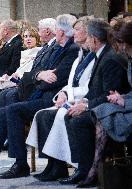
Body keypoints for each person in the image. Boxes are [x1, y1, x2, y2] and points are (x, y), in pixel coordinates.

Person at [0, 14, 79, 180]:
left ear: (61, 32)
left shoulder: (71, 50)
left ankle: (19, 163)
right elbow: (36, 73)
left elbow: (57, 77)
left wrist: (36, 77)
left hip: (53, 98)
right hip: (42, 93)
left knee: (11, 110)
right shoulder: (57, 48)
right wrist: (38, 75)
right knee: (5, 110)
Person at [57, 19, 130, 186]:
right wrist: (83, 100)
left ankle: (90, 170)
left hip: (115, 106)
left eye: (88, 37)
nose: (87, 41)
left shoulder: (110, 58)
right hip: (104, 102)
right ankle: (82, 168)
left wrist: (87, 105)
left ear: (95, 39)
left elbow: (109, 93)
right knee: (71, 115)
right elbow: (95, 89)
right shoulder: (101, 54)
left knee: (79, 121)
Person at [26, 16, 95, 181]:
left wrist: (69, 95)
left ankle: (77, 167)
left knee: (53, 115)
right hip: (71, 97)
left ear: (89, 33)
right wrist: (64, 93)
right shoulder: (81, 53)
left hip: (84, 101)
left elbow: (90, 86)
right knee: (42, 114)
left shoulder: (92, 55)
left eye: (77, 30)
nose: (73, 33)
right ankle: (54, 165)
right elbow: (72, 81)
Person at [77, 20, 132, 188]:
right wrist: (121, 96)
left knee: (102, 113)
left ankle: (96, 167)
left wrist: (124, 101)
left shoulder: (115, 58)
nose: (118, 48)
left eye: (119, 43)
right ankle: (98, 167)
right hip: (129, 103)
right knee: (102, 110)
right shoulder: (130, 59)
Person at [0, 26, 41, 137]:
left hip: (30, 84)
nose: (28, 39)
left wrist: (17, 75)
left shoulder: (39, 52)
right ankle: (1, 130)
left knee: (6, 94)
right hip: (19, 81)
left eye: (31, 36)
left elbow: (32, 70)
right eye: (26, 36)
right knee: (1, 93)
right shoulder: (25, 52)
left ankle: (10, 133)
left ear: (37, 38)